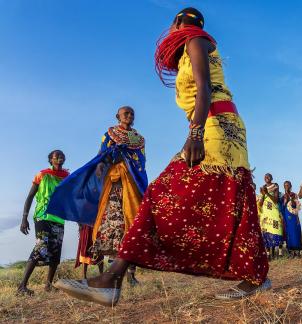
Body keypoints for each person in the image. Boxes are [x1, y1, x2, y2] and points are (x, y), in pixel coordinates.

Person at [55, 7, 270, 305]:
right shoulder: (189, 49)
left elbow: (205, 88)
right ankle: (254, 274)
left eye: (172, 24)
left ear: (180, 22)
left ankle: (111, 278)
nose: (169, 30)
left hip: (216, 126)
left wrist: (195, 135)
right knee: (224, 198)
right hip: (211, 124)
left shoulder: (196, 40)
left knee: (162, 193)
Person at [48, 106, 147, 287]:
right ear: (118, 116)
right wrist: (101, 165)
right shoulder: (109, 134)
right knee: (114, 225)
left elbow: (141, 161)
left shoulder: (139, 139)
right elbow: (102, 155)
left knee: (133, 224)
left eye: (132, 113)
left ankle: (131, 275)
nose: (130, 116)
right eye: (126, 113)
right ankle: (114, 276)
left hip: (132, 184)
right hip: (114, 185)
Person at [17, 150, 69, 295]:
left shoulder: (66, 177)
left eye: (62, 156)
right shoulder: (42, 174)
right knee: (40, 247)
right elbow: (30, 197)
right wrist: (24, 218)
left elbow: (71, 198)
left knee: (56, 251)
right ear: (50, 159)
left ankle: (48, 285)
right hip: (42, 216)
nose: (60, 157)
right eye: (56, 156)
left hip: (58, 217)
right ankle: (22, 286)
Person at [258, 173, 284, 259]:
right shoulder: (262, 188)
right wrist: (264, 194)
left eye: (268, 176)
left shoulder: (275, 186)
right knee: (266, 232)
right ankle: (268, 254)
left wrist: (267, 193)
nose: (266, 178)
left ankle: (280, 253)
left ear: (272, 178)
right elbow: (260, 204)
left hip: (274, 212)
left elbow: (276, 200)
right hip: (265, 214)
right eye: (265, 176)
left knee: (277, 230)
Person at [281, 181, 302, 258]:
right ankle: (291, 252)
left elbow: (296, 206)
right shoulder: (283, 196)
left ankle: (297, 252)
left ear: (291, 186)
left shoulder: (294, 195)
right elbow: (282, 207)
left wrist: (291, 199)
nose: (286, 186)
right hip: (286, 217)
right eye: (285, 185)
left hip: (293, 217)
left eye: (288, 185)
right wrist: (285, 200)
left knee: (295, 232)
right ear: (283, 187)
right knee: (288, 233)